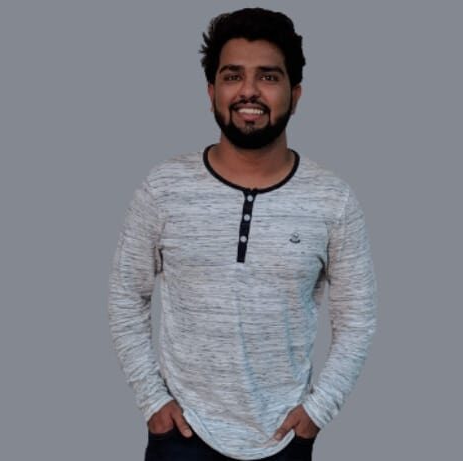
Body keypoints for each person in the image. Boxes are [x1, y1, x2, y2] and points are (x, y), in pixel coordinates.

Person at [108, 7, 377, 461]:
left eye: (268, 77)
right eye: (233, 76)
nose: (248, 90)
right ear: (211, 91)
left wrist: (318, 411)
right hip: (182, 437)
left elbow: (357, 319)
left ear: (295, 94)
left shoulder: (333, 200)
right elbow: (125, 296)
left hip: (283, 439)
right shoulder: (163, 188)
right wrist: (153, 401)